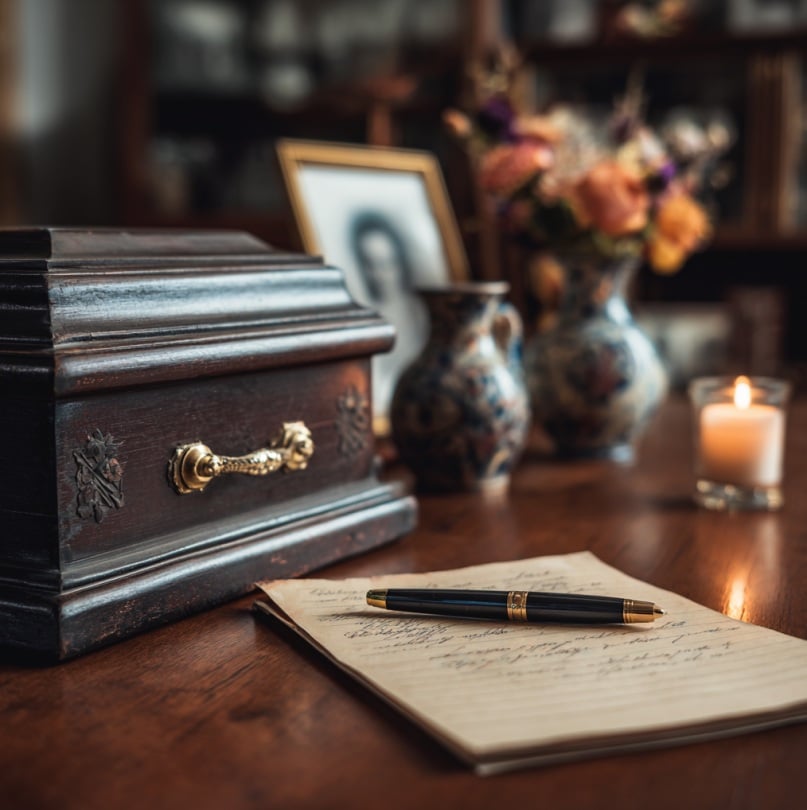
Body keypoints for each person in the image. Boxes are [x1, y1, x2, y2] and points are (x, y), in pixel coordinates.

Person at [349, 212, 427, 429]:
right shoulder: (363, 316)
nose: (379, 275)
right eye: (370, 264)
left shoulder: (420, 312)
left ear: (399, 262)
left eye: (386, 264)